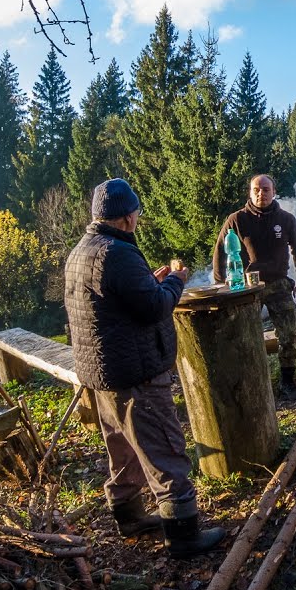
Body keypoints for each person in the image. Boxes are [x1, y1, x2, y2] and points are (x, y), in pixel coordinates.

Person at [64, 178, 225, 558]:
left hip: (103, 375)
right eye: (136, 211)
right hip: (135, 374)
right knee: (164, 452)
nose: (138, 217)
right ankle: (183, 537)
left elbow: (117, 301)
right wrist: (174, 281)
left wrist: (150, 284)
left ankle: (130, 519)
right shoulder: (117, 253)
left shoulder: (82, 251)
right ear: (125, 217)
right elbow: (154, 308)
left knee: (123, 452)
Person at [212, 174, 296, 400]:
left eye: (266, 189)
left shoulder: (286, 219)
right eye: (256, 189)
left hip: (279, 284)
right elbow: (219, 250)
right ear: (250, 192)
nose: (261, 194)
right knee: (244, 336)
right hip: (247, 288)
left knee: (288, 333)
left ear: (274, 192)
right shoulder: (236, 219)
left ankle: (287, 383)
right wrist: (219, 284)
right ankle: (252, 386)